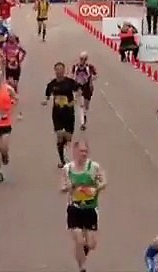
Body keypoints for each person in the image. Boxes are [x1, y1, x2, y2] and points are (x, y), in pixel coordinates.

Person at [61, 140, 107, 272]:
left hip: (90, 209)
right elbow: (62, 187)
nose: (84, 154)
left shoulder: (94, 167)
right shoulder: (68, 169)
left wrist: (97, 187)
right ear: (75, 152)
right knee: (79, 241)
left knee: (91, 244)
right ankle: (82, 267)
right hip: (75, 209)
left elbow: (104, 181)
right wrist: (67, 187)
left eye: (86, 151)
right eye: (81, 151)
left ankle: (82, 253)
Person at [43, 62, 80, 166]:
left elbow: (78, 90)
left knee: (68, 137)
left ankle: (64, 149)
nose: (59, 72)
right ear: (55, 71)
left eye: (61, 69)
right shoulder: (52, 84)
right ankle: (62, 160)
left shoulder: (70, 82)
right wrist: (45, 101)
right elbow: (47, 95)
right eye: (57, 70)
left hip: (68, 112)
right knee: (59, 135)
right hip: (57, 113)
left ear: (64, 71)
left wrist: (74, 100)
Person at [69, 53, 97, 131]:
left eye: (84, 59)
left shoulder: (90, 67)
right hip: (78, 87)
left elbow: (95, 75)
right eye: (81, 58)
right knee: (80, 104)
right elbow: (72, 75)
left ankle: (84, 114)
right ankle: (82, 122)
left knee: (86, 105)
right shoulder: (75, 67)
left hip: (87, 87)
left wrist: (90, 78)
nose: (82, 61)